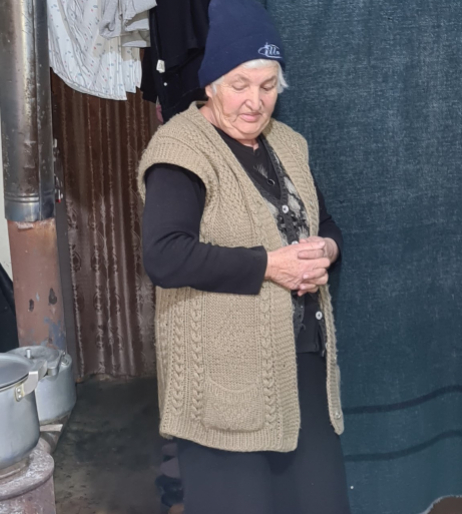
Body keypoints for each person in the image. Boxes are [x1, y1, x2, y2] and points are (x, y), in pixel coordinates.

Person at [138, 0, 352, 513]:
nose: (255, 102)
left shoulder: (288, 144)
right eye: (240, 85)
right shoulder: (181, 151)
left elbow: (326, 225)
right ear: (211, 84)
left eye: (268, 85)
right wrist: (269, 266)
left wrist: (324, 250)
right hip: (224, 385)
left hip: (300, 367)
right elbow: (165, 257)